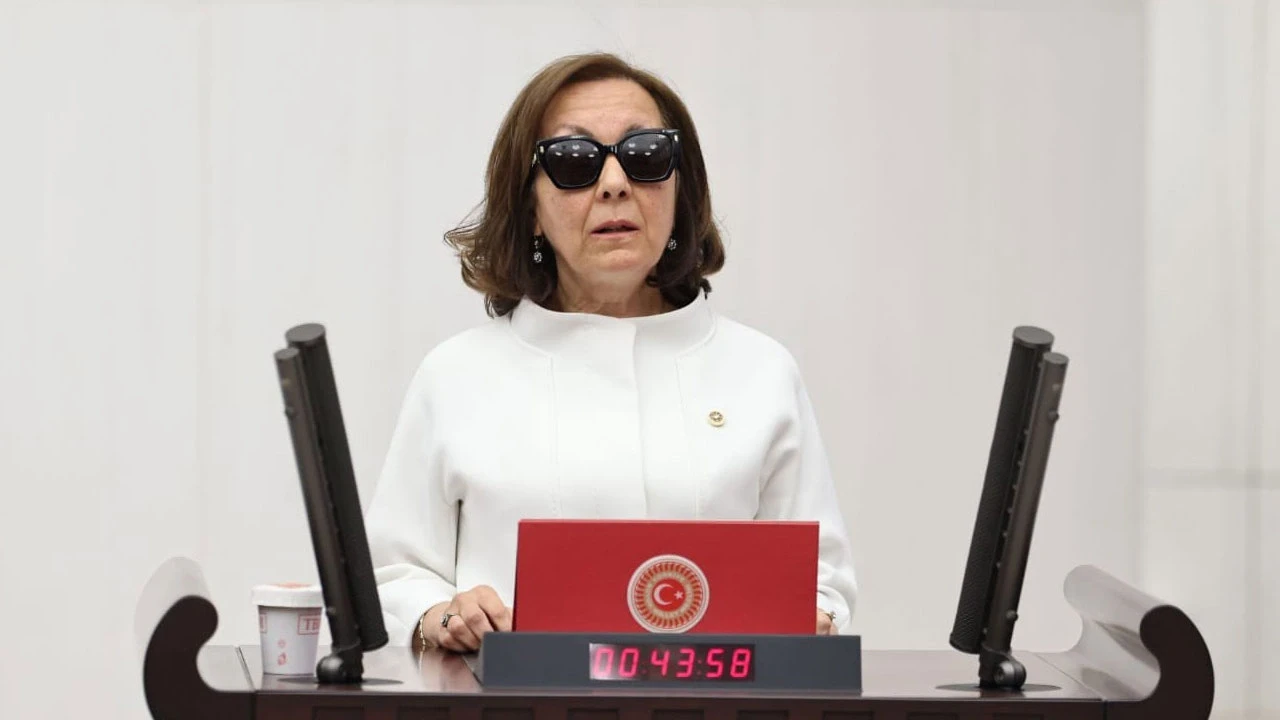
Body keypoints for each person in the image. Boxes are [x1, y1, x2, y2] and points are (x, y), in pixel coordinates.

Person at [364, 52, 857, 654]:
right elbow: (394, 576)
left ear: (680, 189)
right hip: (508, 696)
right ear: (530, 208)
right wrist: (441, 616)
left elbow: (821, 580)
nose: (616, 183)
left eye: (645, 155)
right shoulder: (456, 375)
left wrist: (811, 614)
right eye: (574, 161)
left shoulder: (761, 371)